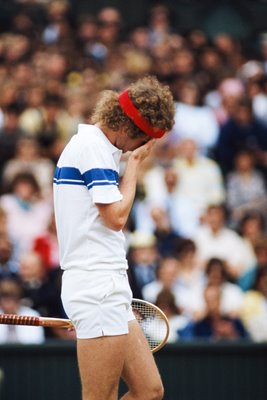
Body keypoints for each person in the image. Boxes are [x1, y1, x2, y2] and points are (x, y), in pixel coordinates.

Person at [53, 75, 175, 400]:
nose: (139, 151)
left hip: (110, 285)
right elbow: (116, 218)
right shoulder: (92, 147)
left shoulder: (99, 149)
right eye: (143, 143)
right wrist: (134, 165)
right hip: (96, 286)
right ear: (128, 131)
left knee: (149, 391)